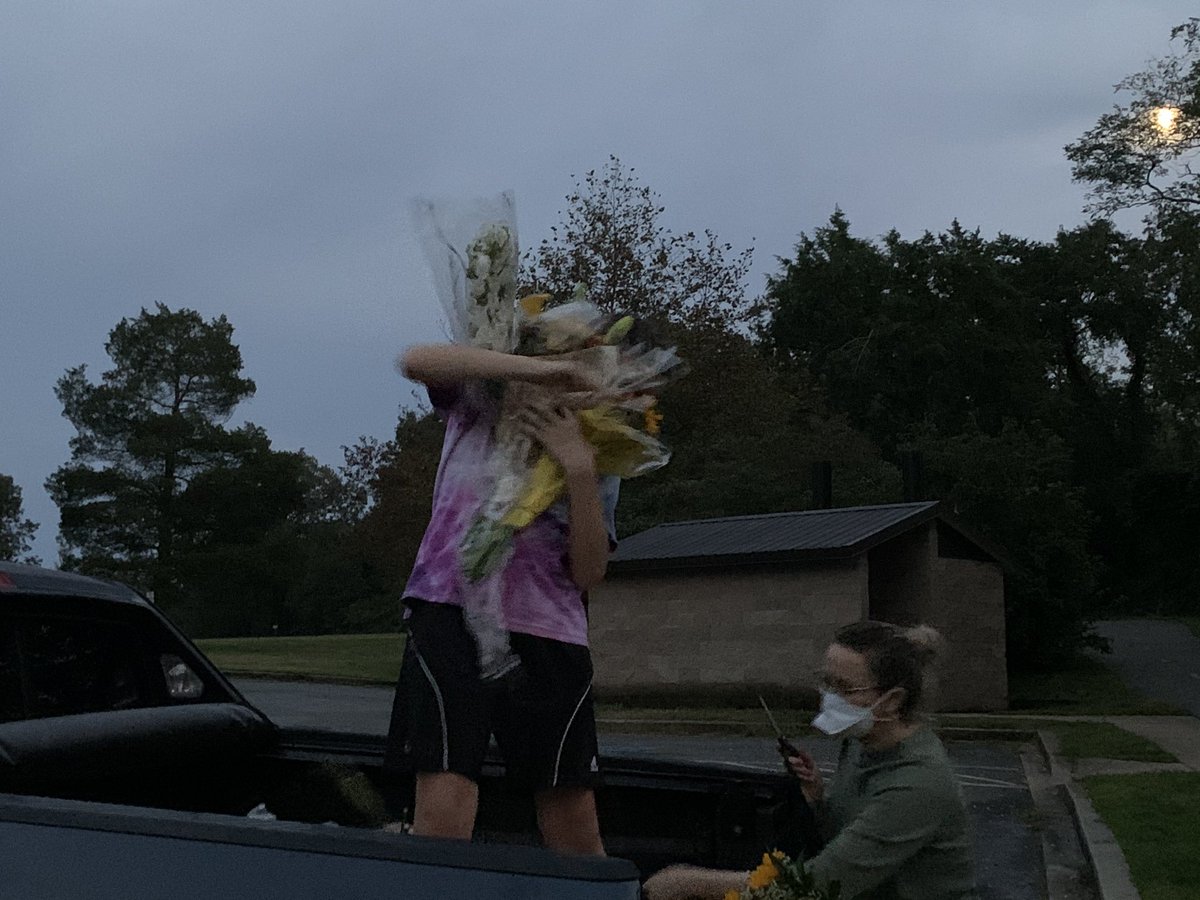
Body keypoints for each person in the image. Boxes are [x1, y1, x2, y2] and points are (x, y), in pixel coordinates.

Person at [384, 342, 618, 855]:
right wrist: (543, 370)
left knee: (572, 817)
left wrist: (577, 465)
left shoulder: (602, 442)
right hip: (451, 610)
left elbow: (589, 572)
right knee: (447, 795)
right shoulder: (478, 400)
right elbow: (416, 359)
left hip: (551, 631)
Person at [643, 621, 978, 899]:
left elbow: (816, 886)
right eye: (826, 682)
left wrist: (691, 882)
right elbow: (844, 840)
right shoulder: (863, 743)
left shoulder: (918, 785)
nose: (829, 696)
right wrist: (817, 798)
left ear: (892, 701)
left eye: (844, 687)